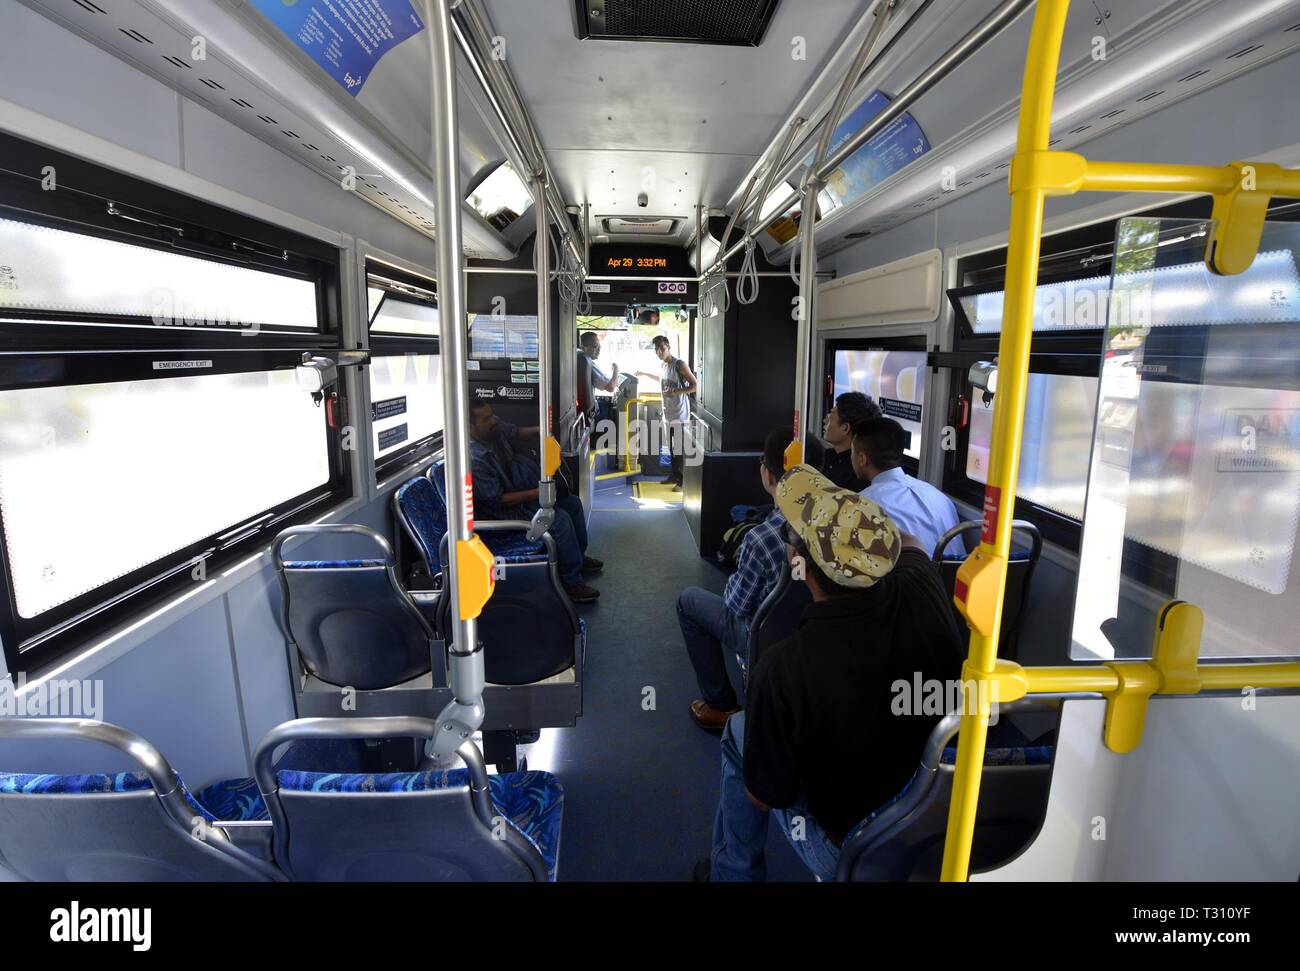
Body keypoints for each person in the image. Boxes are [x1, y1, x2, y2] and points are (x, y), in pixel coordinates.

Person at [703, 465, 965, 882]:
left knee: (739, 734)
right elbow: (908, 543)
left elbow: (766, 795)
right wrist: (854, 522)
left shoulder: (785, 665)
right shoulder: (923, 584)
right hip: (933, 821)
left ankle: (733, 873)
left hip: (853, 847)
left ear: (798, 565)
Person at [677, 427, 819, 731]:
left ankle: (721, 705)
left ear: (767, 475)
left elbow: (735, 604)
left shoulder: (763, 538)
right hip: (822, 637)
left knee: (688, 601)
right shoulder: (847, 531)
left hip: (768, 639)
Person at [467, 400, 602, 603]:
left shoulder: (493, 430)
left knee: (572, 504)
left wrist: (541, 431)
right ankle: (571, 582)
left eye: (492, 415)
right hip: (502, 513)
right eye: (486, 418)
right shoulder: (475, 458)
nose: (494, 420)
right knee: (558, 518)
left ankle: (578, 559)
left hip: (518, 492)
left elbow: (516, 432)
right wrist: (540, 493)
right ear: (471, 427)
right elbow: (497, 500)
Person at [852, 417, 962, 558]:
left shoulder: (863, 504)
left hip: (912, 577)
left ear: (862, 459)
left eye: (852, 453)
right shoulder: (938, 496)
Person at [636, 335, 697, 492]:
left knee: (679, 450)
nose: (659, 352)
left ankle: (682, 482)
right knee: (670, 449)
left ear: (668, 347)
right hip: (667, 415)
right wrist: (643, 373)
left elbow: (696, 386)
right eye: (656, 349)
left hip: (680, 415)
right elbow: (661, 379)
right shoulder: (664, 366)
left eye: (662, 348)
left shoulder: (679, 364)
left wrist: (676, 391)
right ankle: (675, 476)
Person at [820, 391, 881, 491]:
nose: (825, 421)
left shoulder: (857, 477)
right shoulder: (825, 456)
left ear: (845, 428)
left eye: (831, 417)